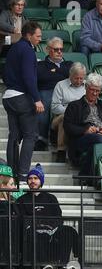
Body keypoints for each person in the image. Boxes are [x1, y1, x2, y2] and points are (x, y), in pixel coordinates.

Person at [16, 164, 80, 269]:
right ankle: (44, 265)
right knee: (35, 233)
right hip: (33, 231)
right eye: (30, 178)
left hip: (52, 229)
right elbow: (21, 219)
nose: (32, 181)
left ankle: (62, 265)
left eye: (36, 178)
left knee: (69, 230)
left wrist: (52, 228)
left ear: (41, 181)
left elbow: (58, 217)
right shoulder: (21, 200)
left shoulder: (51, 198)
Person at [2, 21, 44, 183]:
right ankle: (23, 174)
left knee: (14, 136)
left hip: (9, 96)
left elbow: (5, 72)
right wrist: (37, 99)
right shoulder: (27, 50)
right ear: (29, 35)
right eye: (38, 36)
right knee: (30, 135)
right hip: (22, 97)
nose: (40, 39)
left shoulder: (13, 48)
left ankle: (11, 173)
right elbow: (29, 77)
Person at [63, 73, 102, 176]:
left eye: (97, 91)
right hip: (82, 138)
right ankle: (88, 174)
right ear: (86, 87)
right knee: (100, 139)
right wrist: (85, 130)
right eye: (92, 90)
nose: (94, 93)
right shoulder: (74, 106)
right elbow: (68, 127)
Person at [36, 37, 73, 151]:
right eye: (56, 49)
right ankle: (42, 139)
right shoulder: (40, 65)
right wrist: (61, 73)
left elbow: (74, 76)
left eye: (61, 49)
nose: (59, 52)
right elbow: (42, 77)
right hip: (47, 92)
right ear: (48, 49)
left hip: (66, 92)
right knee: (45, 100)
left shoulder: (69, 64)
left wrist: (55, 72)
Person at [51, 62, 87, 163]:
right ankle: (61, 151)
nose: (79, 81)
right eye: (76, 78)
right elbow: (54, 107)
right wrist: (71, 111)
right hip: (59, 118)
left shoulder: (87, 86)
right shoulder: (61, 85)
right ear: (70, 75)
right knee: (65, 118)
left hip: (81, 118)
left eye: (81, 78)